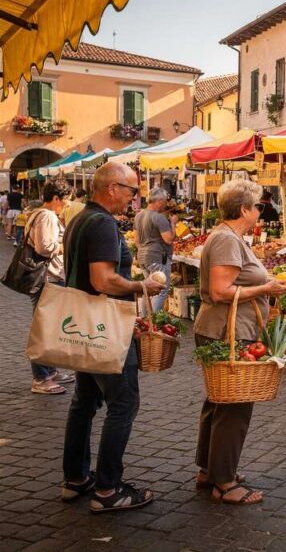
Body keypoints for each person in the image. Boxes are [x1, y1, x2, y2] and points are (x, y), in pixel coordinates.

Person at [61, 162, 164, 513]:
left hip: (83, 323)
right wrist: (140, 286)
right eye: (132, 191)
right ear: (112, 188)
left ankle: (76, 477)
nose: (134, 199)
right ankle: (107, 489)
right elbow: (103, 279)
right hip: (104, 327)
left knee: (84, 402)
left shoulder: (80, 218)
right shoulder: (103, 223)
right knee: (123, 403)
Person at [192, 179, 286, 505]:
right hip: (229, 330)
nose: (261, 211)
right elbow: (221, 291)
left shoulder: (228, 237)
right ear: (244, 209)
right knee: (234, 406)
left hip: (224, 327)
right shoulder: (226, 240)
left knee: (219, 401)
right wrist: (266, 289)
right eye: (258, 206)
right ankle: (224, 481)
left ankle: (210, 470)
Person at [25, 179, 76, 395]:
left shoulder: (39, 213)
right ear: (56, 198)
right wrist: (66, 245)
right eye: (66, 200)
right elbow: (44, 247)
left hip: (49, 278)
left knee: (49, 327)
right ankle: (40, 378)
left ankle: (50, 371)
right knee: (43, 329)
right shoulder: (46, 215)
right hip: (48, 278)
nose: (67, 204)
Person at [133, 189, 176, 311]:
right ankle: (155, 318)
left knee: (147, 289)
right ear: (159, 201)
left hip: (143, 257)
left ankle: (146, 318)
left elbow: (136, 240)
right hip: (158, 258)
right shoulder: (159, 217)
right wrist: (173, 223)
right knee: (161, 289)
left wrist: (144, 251)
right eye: (165, 201)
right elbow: (168, 239)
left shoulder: (139, 215)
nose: (165, 204)